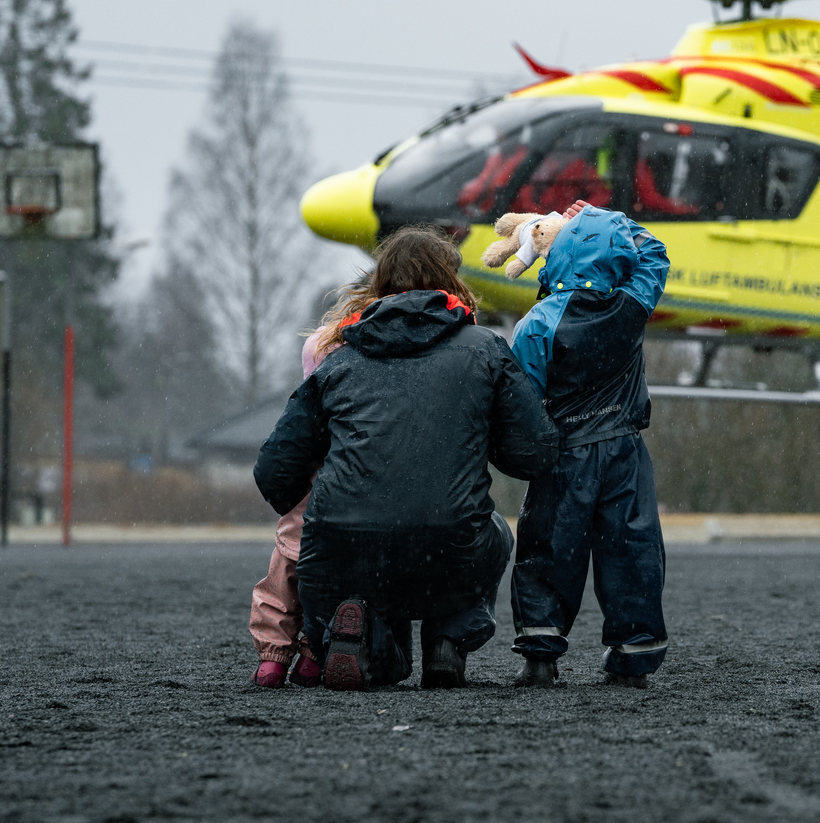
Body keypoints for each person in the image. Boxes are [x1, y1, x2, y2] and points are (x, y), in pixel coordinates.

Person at [253, 226, 559, 690]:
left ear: (380, 286)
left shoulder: (339, 360)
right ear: (450, 283)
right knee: (491, 530)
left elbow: (274, 475)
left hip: (340, 549)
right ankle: (448, 642)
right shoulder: (486, 350)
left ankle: (362, 635)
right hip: (449, 545)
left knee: (367, 576)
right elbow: (535, 455)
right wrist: (474, 435)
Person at [506, 205, 671, 688]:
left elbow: (524, 403)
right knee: (632, 546)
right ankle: (633, 654)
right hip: (625, 449)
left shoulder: (537, 325)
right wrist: (609, 216)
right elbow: (655, 253)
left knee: (548, 547)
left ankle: (540, 652)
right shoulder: (630, 307)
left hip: (564, 452)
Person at [247, 290, 376, 689]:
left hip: (303, 515)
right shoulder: (366, 401)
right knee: (341, 585)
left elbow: (280, 462)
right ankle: (313, 654)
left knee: (281, 579)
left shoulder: (312, 400)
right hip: (352, 512)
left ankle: (271, 661)